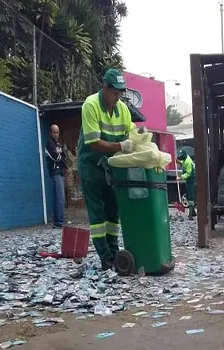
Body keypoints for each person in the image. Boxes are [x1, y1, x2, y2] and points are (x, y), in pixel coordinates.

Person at [77, 68, 136, 271]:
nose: (117, 96)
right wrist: (121, 146)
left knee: (113, 211)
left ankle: (114, 252)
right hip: (91, 166)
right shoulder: (91, 105)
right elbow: (93, 143)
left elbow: (131, 137)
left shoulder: (124, 110)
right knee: (98, 214)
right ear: (105, 87)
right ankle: (105, 257)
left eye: (120, 92)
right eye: (114, 91)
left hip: (112, 168)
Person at [45, 124, 66, 229]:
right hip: (55, 172)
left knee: (60, 197)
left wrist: (61, 153)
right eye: (54, 132)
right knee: (59, 197)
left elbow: (64, 155)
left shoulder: (57, 143)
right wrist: (61, 153)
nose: (56, 134)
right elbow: (56, 156)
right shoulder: (49, 143)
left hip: (60, 172)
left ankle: (59, 221)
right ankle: (58, 222)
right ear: (50, 132)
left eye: (57, 132)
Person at [177, 149, 196, 219]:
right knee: (188, 196)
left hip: (191, 180)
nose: (181, 157)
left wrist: (180, 177)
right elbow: (183, 162)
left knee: (191, 197)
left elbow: (188, 173)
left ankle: (190, 214)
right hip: (188, 180)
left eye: (182, 156)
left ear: (184, 155)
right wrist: (179, 162)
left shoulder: (188, 161)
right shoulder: (185, 159)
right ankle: (193, 212)